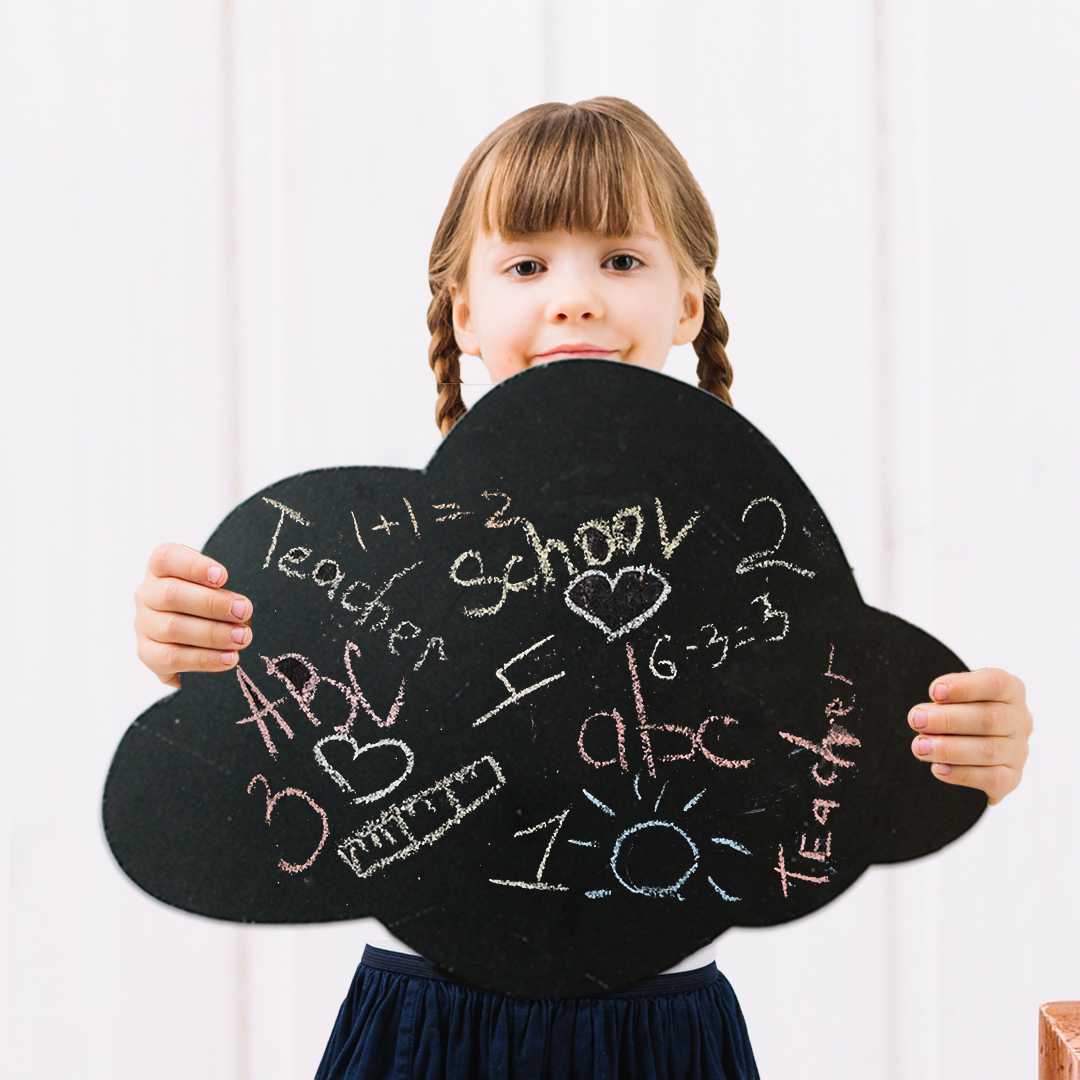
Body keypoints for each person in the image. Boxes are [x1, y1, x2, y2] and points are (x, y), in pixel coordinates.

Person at [132, 98, 1033, 1079]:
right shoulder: (373, 557)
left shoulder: (749, 565)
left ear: (688, 302)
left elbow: (843, 730)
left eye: (621, 259)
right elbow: (268, 704)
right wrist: (188, 638)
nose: (574, 298)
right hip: (427, 1031)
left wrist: (966, 740)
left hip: (655, 1032)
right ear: (464, 313)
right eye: (527, 265)